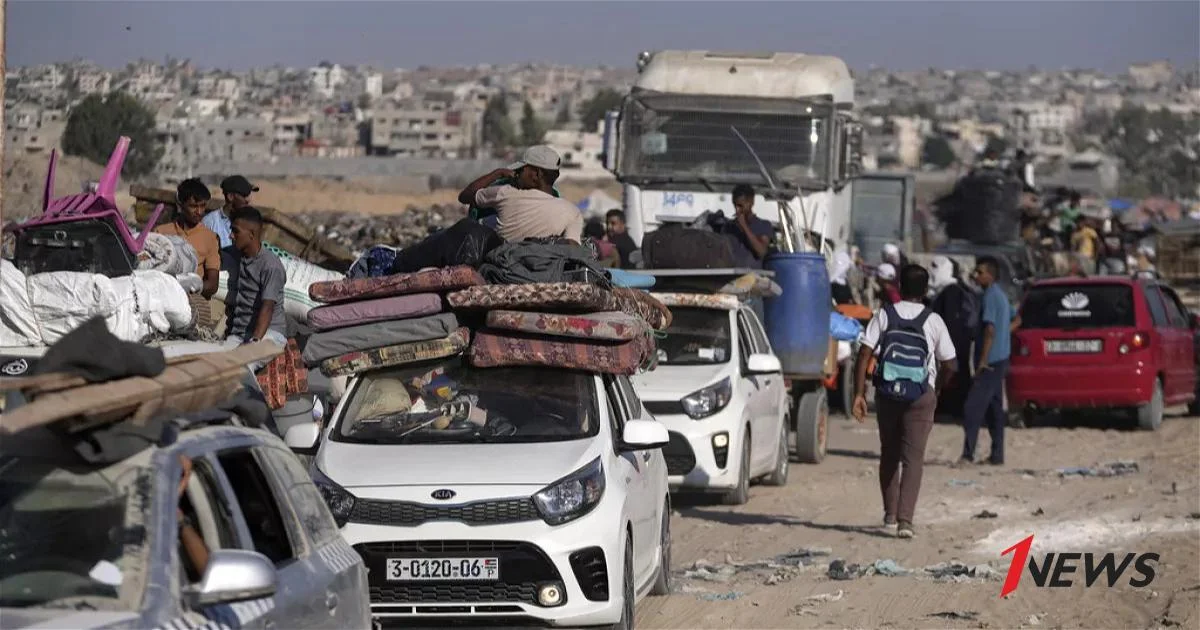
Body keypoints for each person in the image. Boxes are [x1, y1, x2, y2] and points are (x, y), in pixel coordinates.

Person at [852, 264, 957, 539]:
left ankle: (889, 513)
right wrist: (936, 389)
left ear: (899, 286)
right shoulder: (933, 320)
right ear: (925, 290)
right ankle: (905, 521)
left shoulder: (884, 315)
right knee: (913, 459)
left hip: (887, 394)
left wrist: (859, 394)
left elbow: (864, 353)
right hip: (921, 395)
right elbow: (951, 363)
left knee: (889, 453)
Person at [457, 145, 583, 243]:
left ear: (537, 174)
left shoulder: (505, 193)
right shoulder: (572, 212)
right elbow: (573, 247)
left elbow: (465, 196)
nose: (517, 174)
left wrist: (498, 173)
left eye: (521, 170)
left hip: (501, 268)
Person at [959, 256, 1012, 466]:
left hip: (990, 362)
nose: (976, 276)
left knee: (972, 408)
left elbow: (989, 329)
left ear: (990, 275)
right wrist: (1004, 336)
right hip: (1002, 358)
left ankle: (967, 454)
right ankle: (997, 455)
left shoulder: (990, 296)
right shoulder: (1001, 295)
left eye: (980, 272)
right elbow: (1016, 318)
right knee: (994, 410)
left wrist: (982, 360)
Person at [224, 207, 288, 364]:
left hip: (269, 334)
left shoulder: (270, 265)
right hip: (240, 333)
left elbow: (268, 307)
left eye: (235, 231)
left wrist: (254, 343)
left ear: (251, 234)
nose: (230, 235)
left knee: (242, 368)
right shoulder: (237, 254)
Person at [929, 256, 979, 419]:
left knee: (953, 376)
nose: (932, 272)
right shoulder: (951, 291)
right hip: (956, 343)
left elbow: (949, 321)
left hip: (953, 343)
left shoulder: (951, 293)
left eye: (936, 267)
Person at [155, 178, 220, 299]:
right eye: (193, 206)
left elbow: (212, 285)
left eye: (203, 206)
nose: (199, 211)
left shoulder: (210, 237)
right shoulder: (161, 232)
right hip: (163, 296)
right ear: (181, 205)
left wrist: (191, 286)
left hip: (193, 300)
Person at [720, 184, 774, 269]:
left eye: (741, 206)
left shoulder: (763, 225)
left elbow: (762, 252)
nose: (737, 210)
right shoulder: (728, 227)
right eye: (735, 205)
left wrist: (744, 226)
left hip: (755, 277)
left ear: (751, 203)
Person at [203, 175, 259, 249]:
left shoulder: (250, 221)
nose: (248, 200)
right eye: (244, 195)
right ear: (230, 197)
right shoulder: (210, 222)